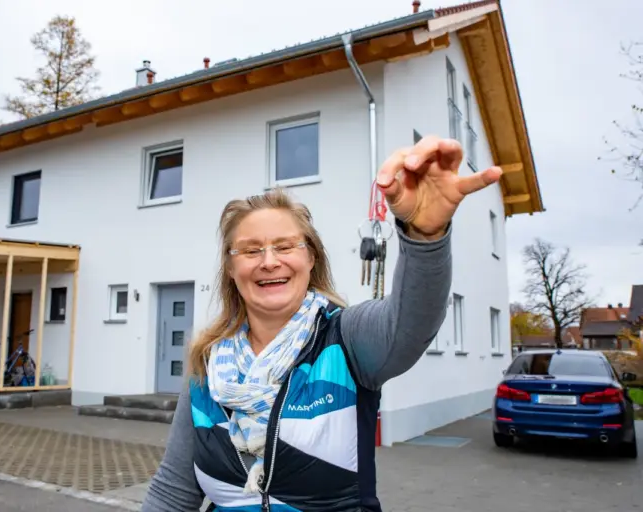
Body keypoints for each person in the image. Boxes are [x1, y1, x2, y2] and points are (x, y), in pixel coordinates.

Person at [142, 136, 502, 511]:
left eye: (285, 246)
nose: (268, 261)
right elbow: (173, 490)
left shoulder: (346, 339)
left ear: (311, 258)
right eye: (250, 250)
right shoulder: (208, 365)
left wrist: (425, 236)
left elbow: (411, 322)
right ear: (232, 270)